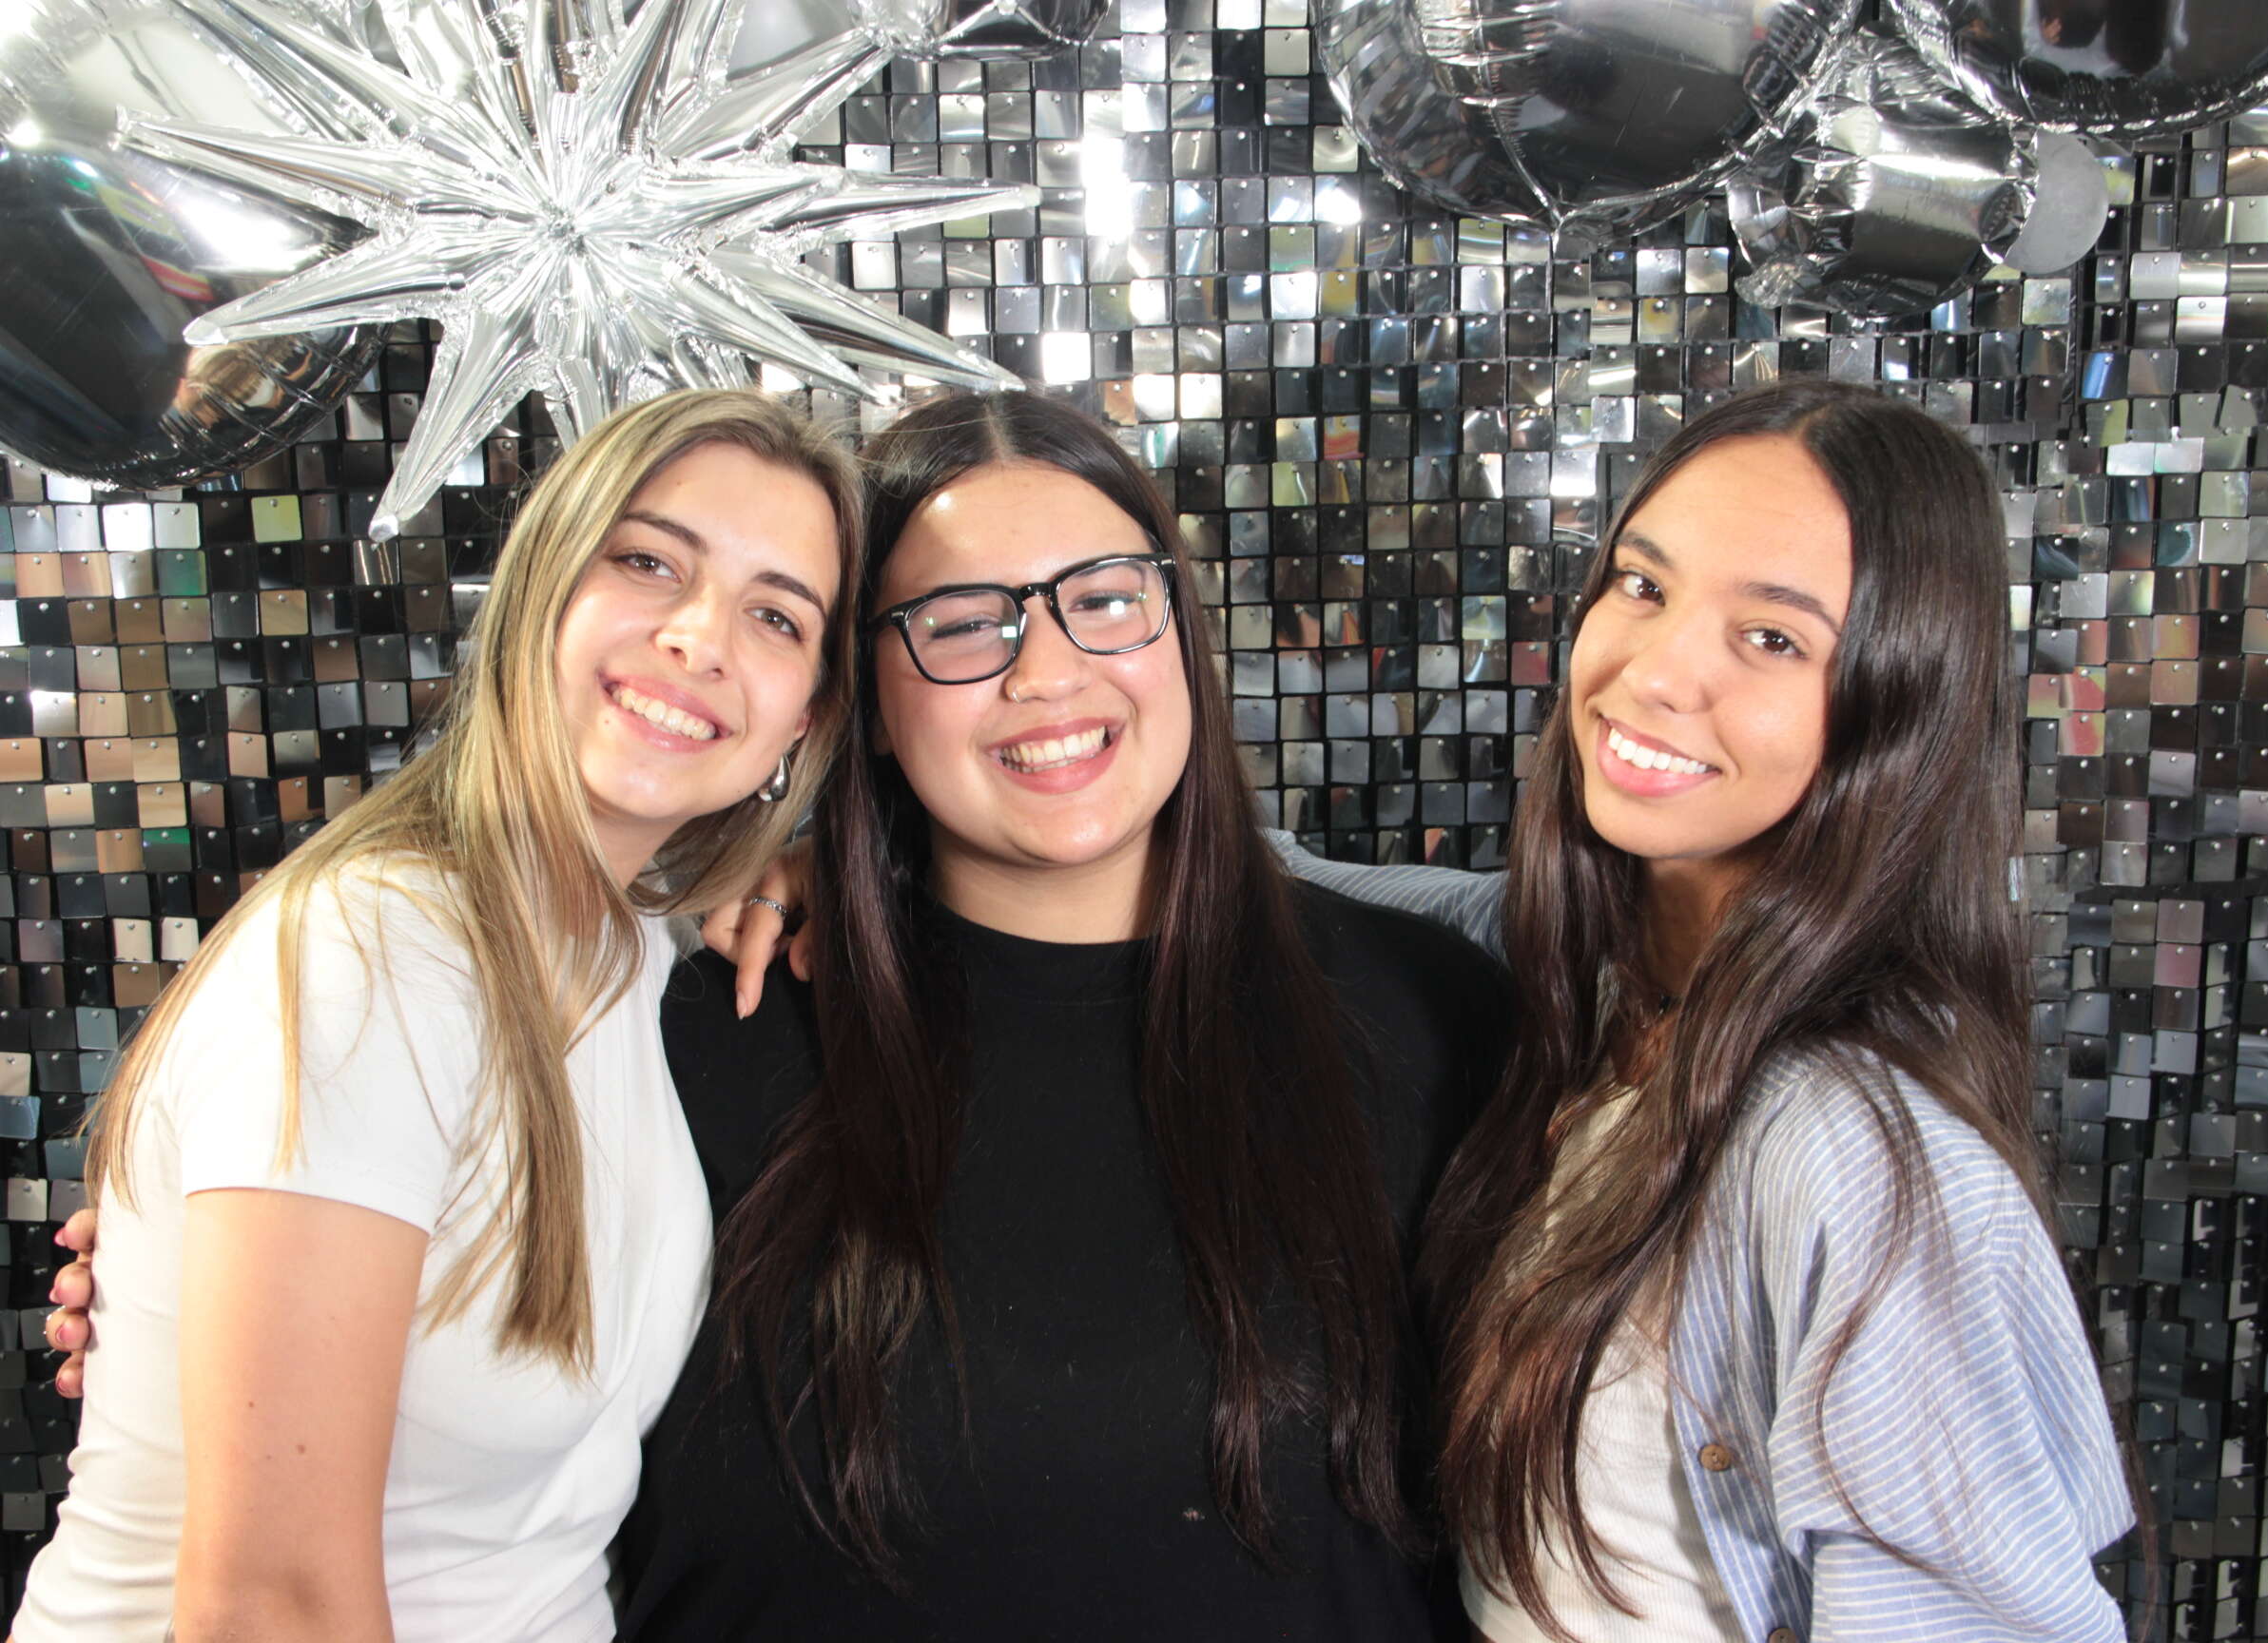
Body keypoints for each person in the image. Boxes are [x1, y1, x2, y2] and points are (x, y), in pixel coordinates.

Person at [719, 377, 2138, 1641]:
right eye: (1641, 586)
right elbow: (1223, 865)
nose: (1657, 670)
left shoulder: (1853, 1150)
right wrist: (833, 845)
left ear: (1901, 698)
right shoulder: (1566, 987)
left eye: (1772, 637)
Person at [615, 388, 1509, 1641]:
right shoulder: (694, 1034)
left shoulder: (1439, 1018)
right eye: (959, 624)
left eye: (1104, 598)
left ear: (1180, 630)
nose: (1046, 671)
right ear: (865, 700)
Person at [13, 387, 861, 1643]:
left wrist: (800, 871)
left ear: (804, 717)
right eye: (647, 562)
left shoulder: (638, 953)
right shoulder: (377, 954)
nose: (700, 637)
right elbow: (269, 1608)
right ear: (538, 591)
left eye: (776, 614)